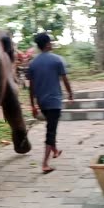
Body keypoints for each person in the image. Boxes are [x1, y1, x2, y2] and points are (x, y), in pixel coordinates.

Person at [27, 32, 73, 174]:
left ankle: (55, 150)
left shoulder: (33, 63)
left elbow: (31, 87)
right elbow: (65, 79)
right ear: (47, 44)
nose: (52, 44)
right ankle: (45, 164)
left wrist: (33, 105)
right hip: (54, 101)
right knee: (51, 131)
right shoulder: (57, 60)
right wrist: (70, 93)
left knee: (50, 126)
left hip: (42, 102)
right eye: (51, 42)